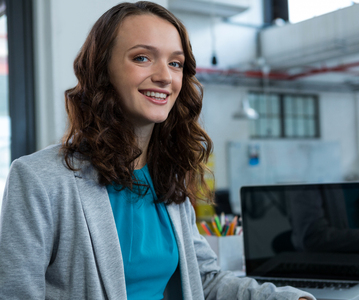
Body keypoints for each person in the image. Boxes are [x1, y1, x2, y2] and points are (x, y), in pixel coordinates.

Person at [0, 2, 315, 299]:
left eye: (175, 63)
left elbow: (204, 279)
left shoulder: (168, 175)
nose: (165, 76)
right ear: (102, 69)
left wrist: (290, 297)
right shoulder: (37, 179)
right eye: (142, 58)